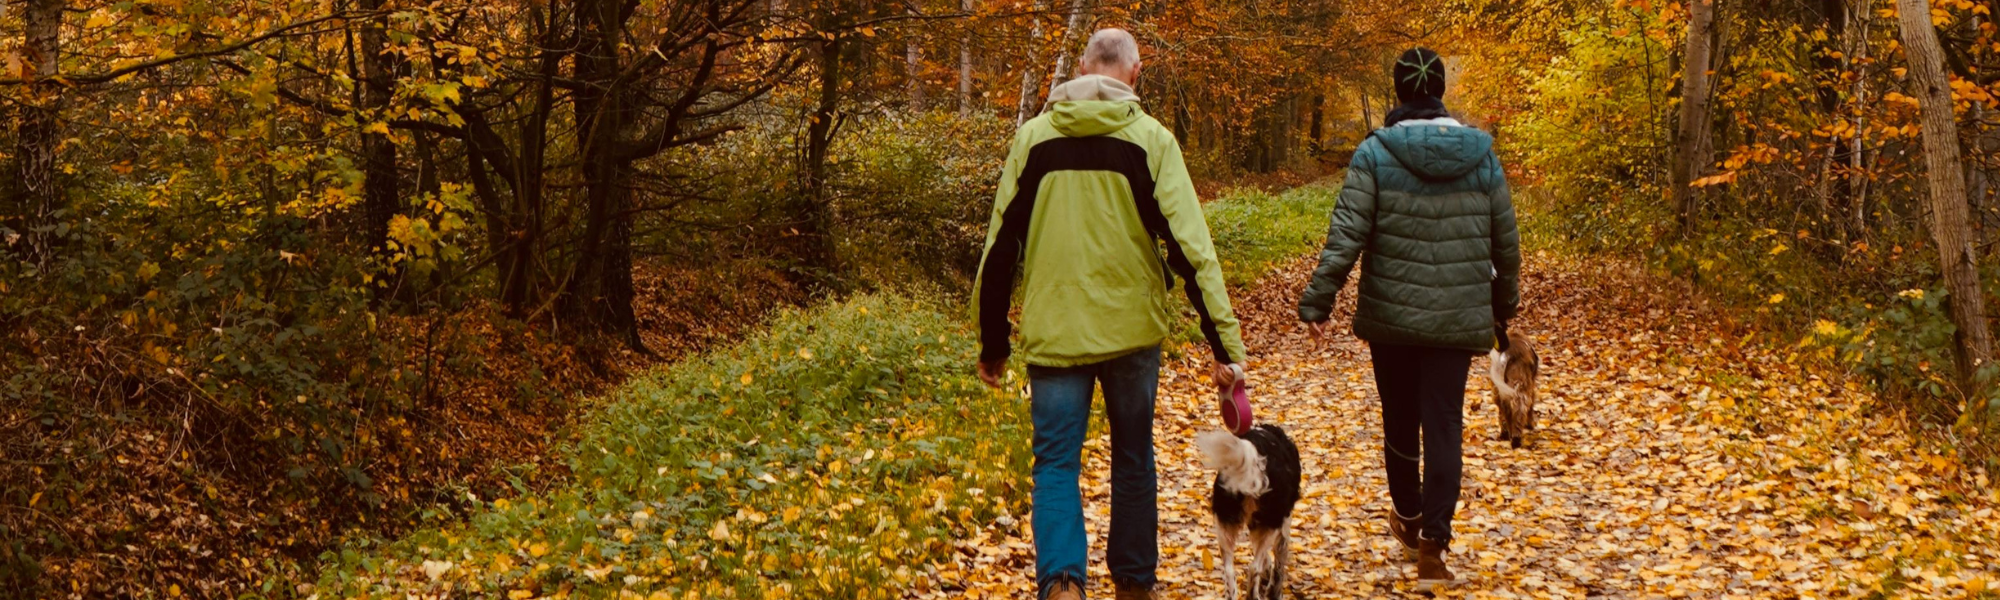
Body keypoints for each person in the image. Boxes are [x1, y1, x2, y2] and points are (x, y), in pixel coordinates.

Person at [973, 28, 1248, 600]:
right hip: (1131, 333)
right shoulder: (1151, 141)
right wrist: (1225, 347)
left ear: (1079, 67)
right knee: (1132, 457)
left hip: (1054, 332)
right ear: (1135, 73)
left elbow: (999, 248)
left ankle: (1064, 586)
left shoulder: (1033, 140)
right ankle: (1132, 587)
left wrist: (993, 342)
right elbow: (1191, 250)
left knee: (1054, 465)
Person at [1296, 47, 1521, 592]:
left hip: (1392, 316)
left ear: (1399, 92)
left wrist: (1317, 302)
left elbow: (1346, 232)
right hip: (1456, 316)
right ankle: (1434, 546)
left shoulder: (1375, 152)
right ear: (1440, 91)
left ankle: (1409, 515)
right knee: (1444, 422)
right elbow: (1505, 242)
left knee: (1400, 419)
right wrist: (1503, 306)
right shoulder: (1482, 155)